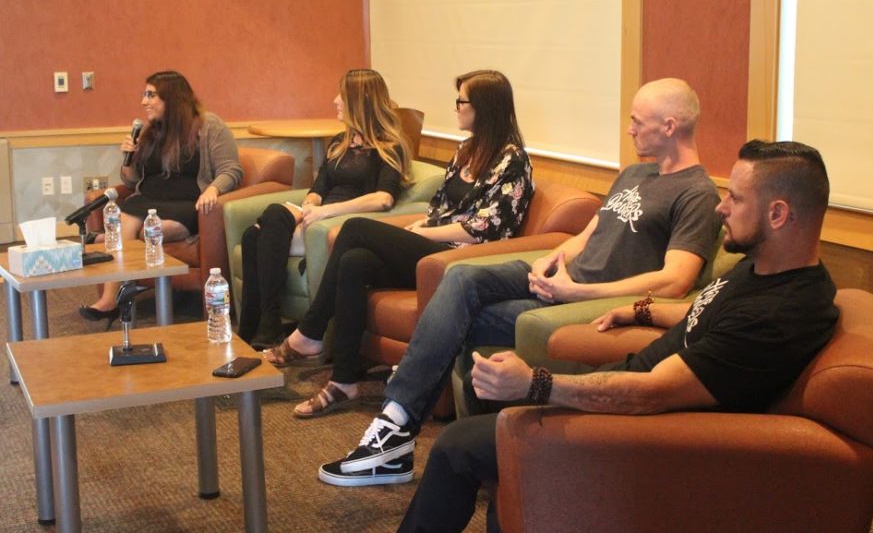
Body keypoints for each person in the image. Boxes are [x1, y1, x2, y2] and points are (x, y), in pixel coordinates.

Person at [398, 140, 839, 532]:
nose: (722, 207)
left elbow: (649, 395)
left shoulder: (777, 315)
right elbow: (704, 313)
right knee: (488, 403)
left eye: (736, 199)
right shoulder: (762, 270)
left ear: (778, 214)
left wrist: (535, 382)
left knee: (457, 446)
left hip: (648, 436)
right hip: (634, 403)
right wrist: (641, 309)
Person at [318, 78, 722, 487]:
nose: (630, 129)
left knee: (460, 323)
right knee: (460, 279)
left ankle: (402, 434)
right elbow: (589, 234)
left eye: (638, 122)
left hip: (582, 301)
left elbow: (675, 281)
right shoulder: (635, 173)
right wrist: (553, 258)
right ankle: (402, 428)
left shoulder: (696, 193)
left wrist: (576, 292)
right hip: (562, 280)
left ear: (670, 126)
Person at [263, 70, 535, 424]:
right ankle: (344, 379)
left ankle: (310, 332)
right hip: (434, 243)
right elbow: (440, 205)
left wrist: (425, 234)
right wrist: (424, 223)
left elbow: (486, 228)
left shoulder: (513, 161)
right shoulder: (467, 150)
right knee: (355, 261)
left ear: (484, 107)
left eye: (461, 101)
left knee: (357, 228)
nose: (455, 108)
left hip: (458, 258)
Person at [239, 69, 410, 350]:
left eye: (341, 95)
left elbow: (383, 199)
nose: (335, 101)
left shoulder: (388, 148)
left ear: (360, 100)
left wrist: (325, 213)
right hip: (318, 217)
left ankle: (264, 324)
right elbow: (319, 188)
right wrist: (310, 206)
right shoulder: (339, 143)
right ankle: (259, 328)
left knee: (255, 235)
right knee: (257, 230)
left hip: (341, 223)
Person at [78, 71, 242, 326]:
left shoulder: (209, 126)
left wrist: (214, 189)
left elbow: (231, 169)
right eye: (144, 95)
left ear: (172, 98)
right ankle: (110, 300)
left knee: (150, 232)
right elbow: (132, 182)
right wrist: (129, 158)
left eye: (150, 95)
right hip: (146, 200)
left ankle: (102, 238)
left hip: (188, 204)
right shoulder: (149, 131)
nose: (144, 102)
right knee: (133, 227)